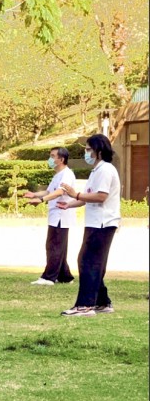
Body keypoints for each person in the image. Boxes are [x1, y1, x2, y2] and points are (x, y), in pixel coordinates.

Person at [57, 134, 121, 316]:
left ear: (98, 151)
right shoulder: (97, 171)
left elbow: (101, 196)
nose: (86, 153)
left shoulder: (106, 170)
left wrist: (75, 194)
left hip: (103, 222)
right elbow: (88, 197)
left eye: (88, 149)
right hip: (95, 222)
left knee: (88, 262)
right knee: (93, 262)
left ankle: (85, 306)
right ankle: (102, 302)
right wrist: (70, 203)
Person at [24, 147, 76, 285]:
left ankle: (49, 277)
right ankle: (65, 276)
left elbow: (59, 192)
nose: (50, 159)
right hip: (54, 215)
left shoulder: (67, 174)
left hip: (61, 216)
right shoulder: (57, 175)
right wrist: (35, 194)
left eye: (53, 156)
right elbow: (48, 191)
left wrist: (41, 200)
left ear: (61, 159)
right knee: (58, 246)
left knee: (54, 246)